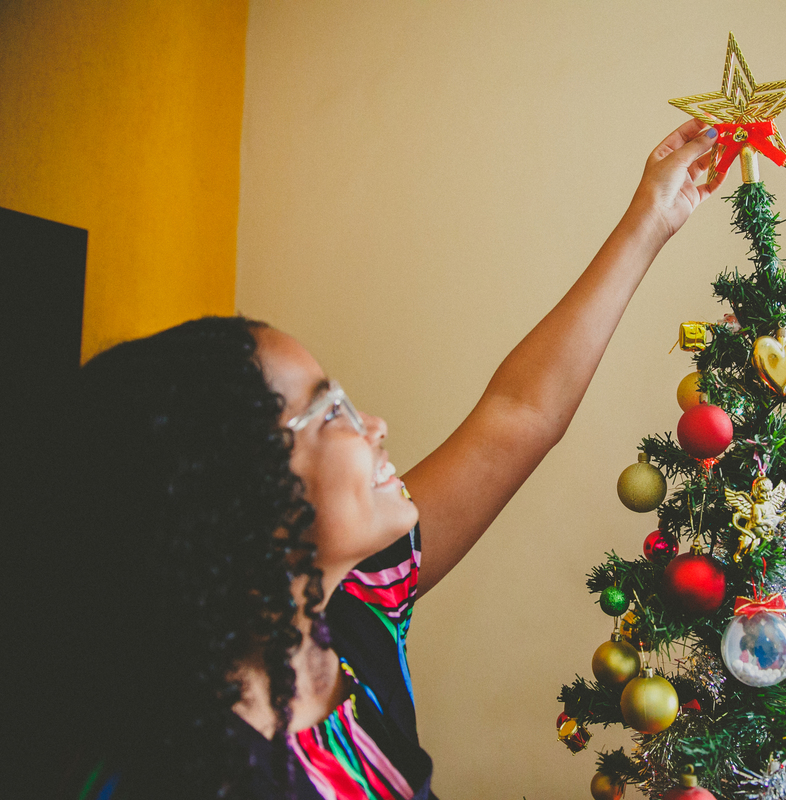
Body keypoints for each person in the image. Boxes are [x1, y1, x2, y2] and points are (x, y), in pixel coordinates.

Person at [31, 119, 724, 800]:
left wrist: (652, 218)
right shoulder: (158, 774)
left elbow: (521, 416)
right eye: (330, 412)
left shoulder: (356, 610)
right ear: (235, 491)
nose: (376, 425)